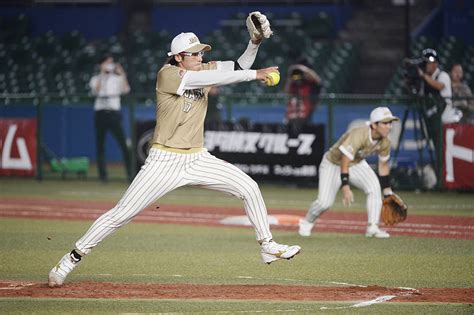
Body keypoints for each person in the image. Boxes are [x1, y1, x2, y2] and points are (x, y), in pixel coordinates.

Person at [49, 15, 301, 288]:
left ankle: (267, 245)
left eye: (201, 52)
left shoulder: (202, 70)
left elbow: (237, 65)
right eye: (194, 54)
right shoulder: (167, 74)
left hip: (197, 157)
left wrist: (254, 43)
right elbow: (227, 75)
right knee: (121, 214)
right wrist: (254, 75)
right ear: (179, 57)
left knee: (249, 187)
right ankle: (71, 258)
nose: (200, 57)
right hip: (164, 160)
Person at [299, 107, 399, 238]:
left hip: (356, 163)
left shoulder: (385, 141)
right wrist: (346, 187)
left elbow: (384, 165)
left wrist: (387, 192)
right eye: (385, 123)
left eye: (390, 123)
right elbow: (344, 160)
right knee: (324, 203)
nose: (389, 126)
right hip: (333, 163)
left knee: (374, 188)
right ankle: (307, 221)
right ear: (374, 125)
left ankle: (373, 228)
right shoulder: (359, 134)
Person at [89, 55, 132, 183]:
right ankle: (103, 177)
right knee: (100, 145)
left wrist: (122, 73)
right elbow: (96, 91)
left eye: (111, 63)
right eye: (107, 63)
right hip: (100, 114)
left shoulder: (117, 78)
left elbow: (126, 90)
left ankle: (131, 175)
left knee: (124, 144)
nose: (110, 65)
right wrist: (103, 74)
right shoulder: (95, 78)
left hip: (114, 114)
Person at [418, 49, 459, 149]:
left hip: (446, 115)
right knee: (437, 145)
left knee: (444, 146)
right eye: (425, 63)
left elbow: (439, 86)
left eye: (428, 63)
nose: (426, 65)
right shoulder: (426, 79)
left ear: (435, 64)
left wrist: (424, 76)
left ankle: (441, 163)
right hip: (434, 116)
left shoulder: (442, 75)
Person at [284, 62, 322, 136]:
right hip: (291, 118)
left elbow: (318, 81)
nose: (297, 78)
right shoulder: (293, 86)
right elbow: (287, 90)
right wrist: (292, 72)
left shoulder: (309, 85)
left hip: (305, 118)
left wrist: (303, 69)